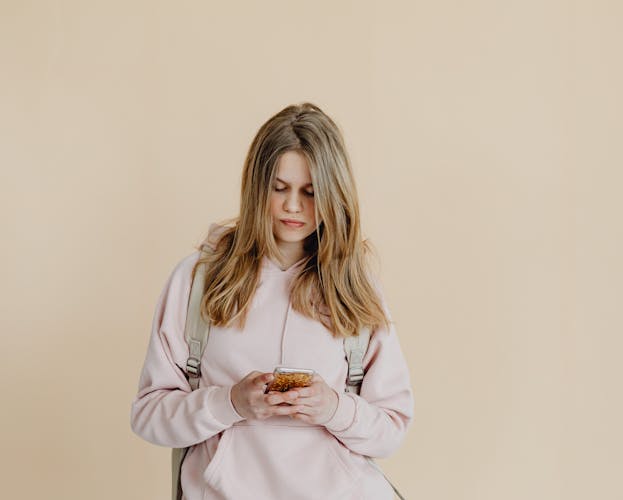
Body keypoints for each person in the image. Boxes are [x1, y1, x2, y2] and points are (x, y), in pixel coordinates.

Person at [130, 102, 415, 500]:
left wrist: (332, 408)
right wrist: (230, 403)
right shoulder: (198, 278)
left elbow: (391, 430)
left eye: (311, 192)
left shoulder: (355, 285)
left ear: (334, 194)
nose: (293, 206)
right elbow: (148, 416)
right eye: (278, 188)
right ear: (255, 186)